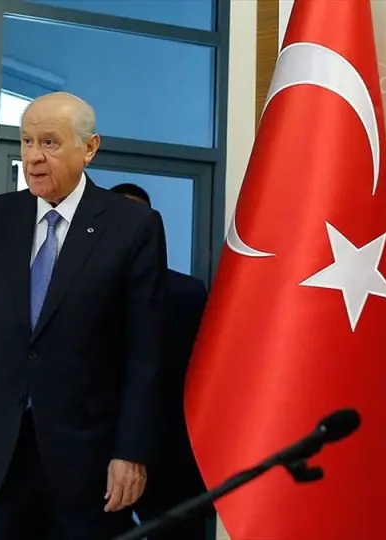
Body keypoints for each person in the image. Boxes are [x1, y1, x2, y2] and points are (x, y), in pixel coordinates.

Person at [0, 92, 168, 540]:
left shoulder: (132, 227)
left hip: (89, 462)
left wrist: (131, 452)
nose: (33, 156)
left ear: (89, 148)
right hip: (0, 455)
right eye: (27, 141)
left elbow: (145, 355)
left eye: (49, 142)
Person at [110, 183, 211, 540]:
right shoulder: (73, 289)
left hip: (171, 456)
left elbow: (201, 376)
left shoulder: (188, 293)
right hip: (94, 456)